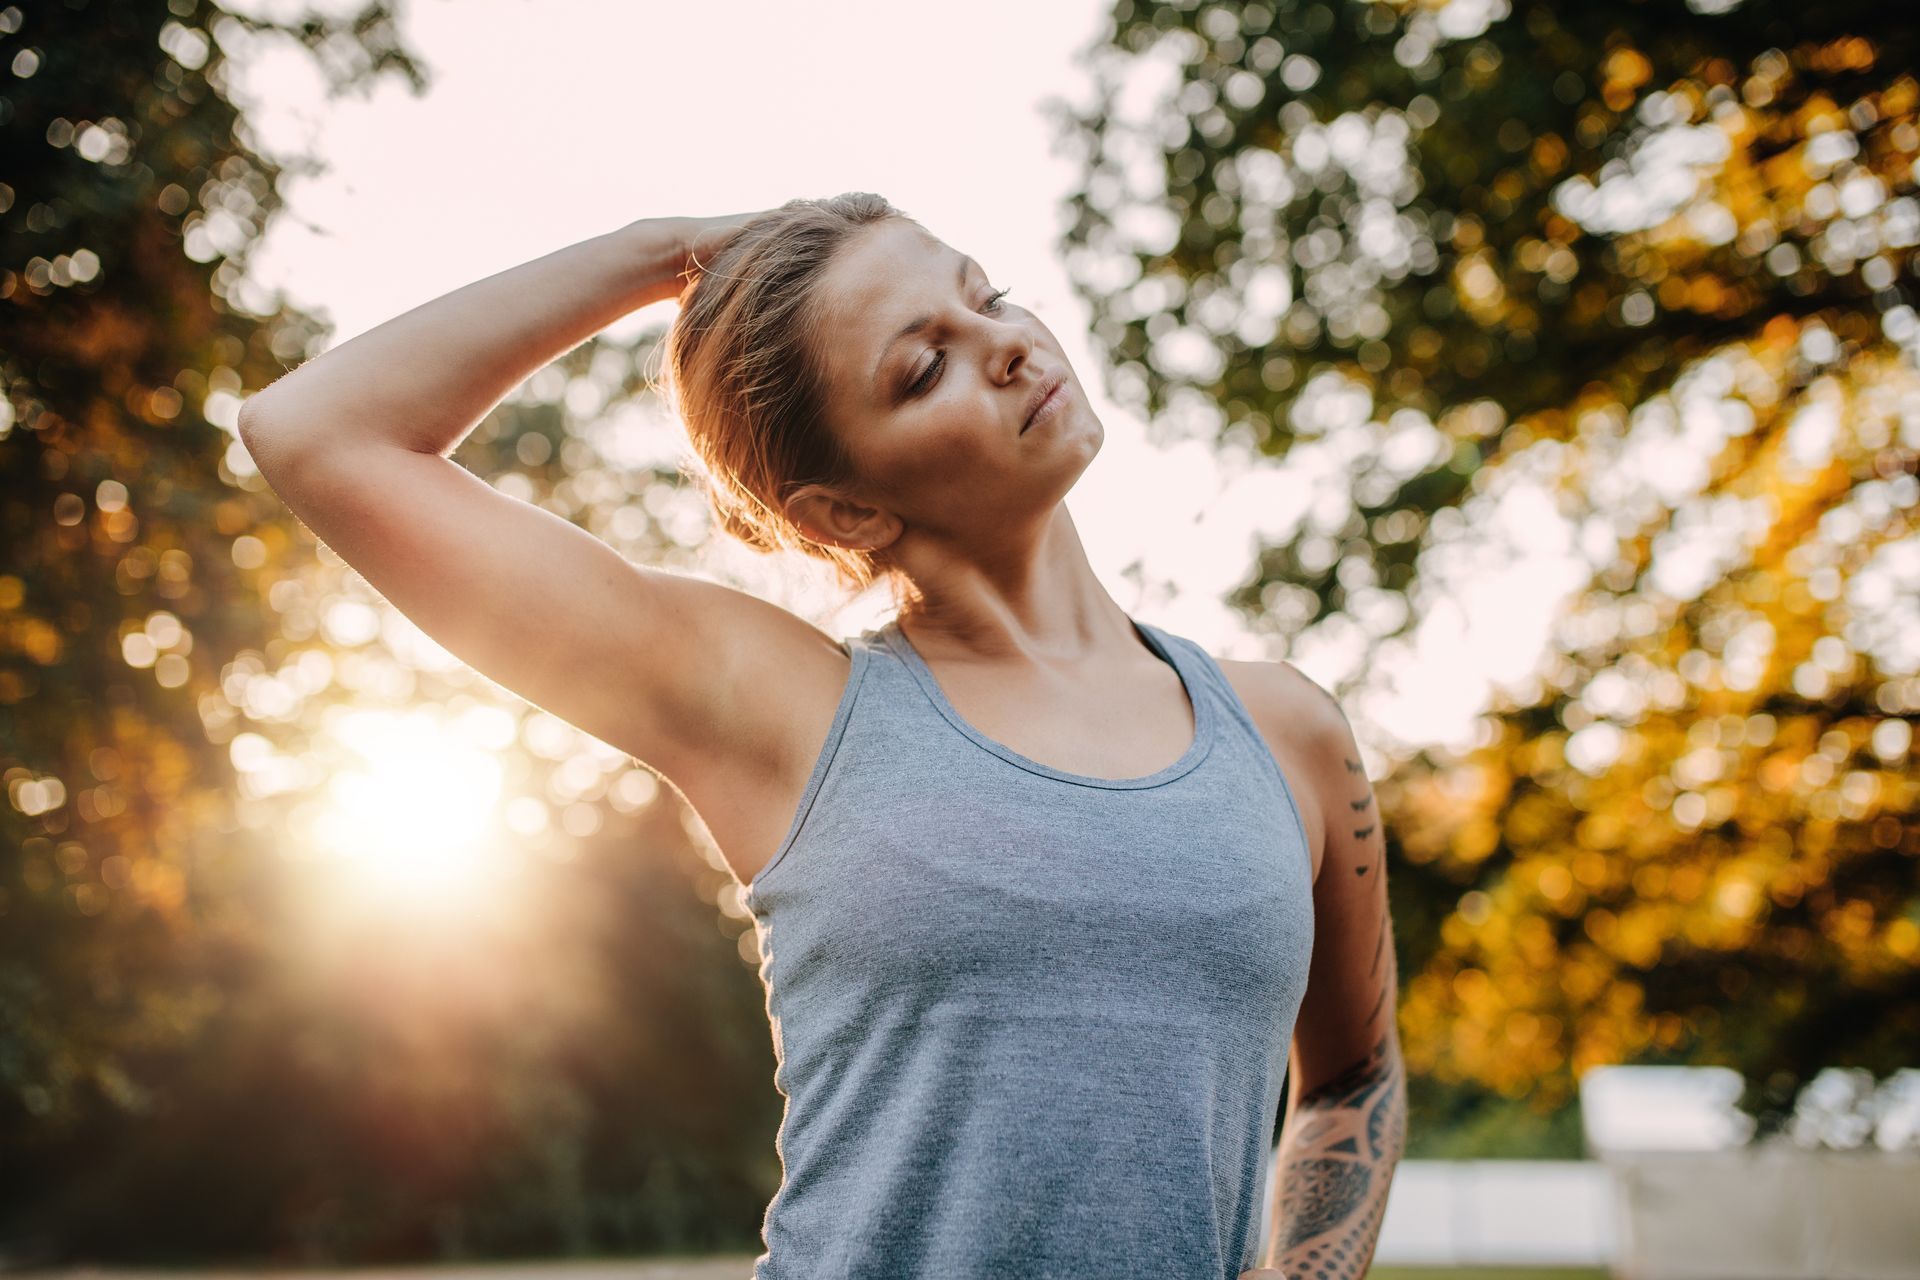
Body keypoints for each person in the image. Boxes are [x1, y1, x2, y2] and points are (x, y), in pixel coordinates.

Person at [238, 193, 1407, 1280]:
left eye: (986, 294)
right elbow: (317, 431)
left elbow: (1354, 1073)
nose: (1002, 342)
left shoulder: (1286, 728)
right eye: (921, 365)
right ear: (846, 509)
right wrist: (658, 254)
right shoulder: (782, 710)